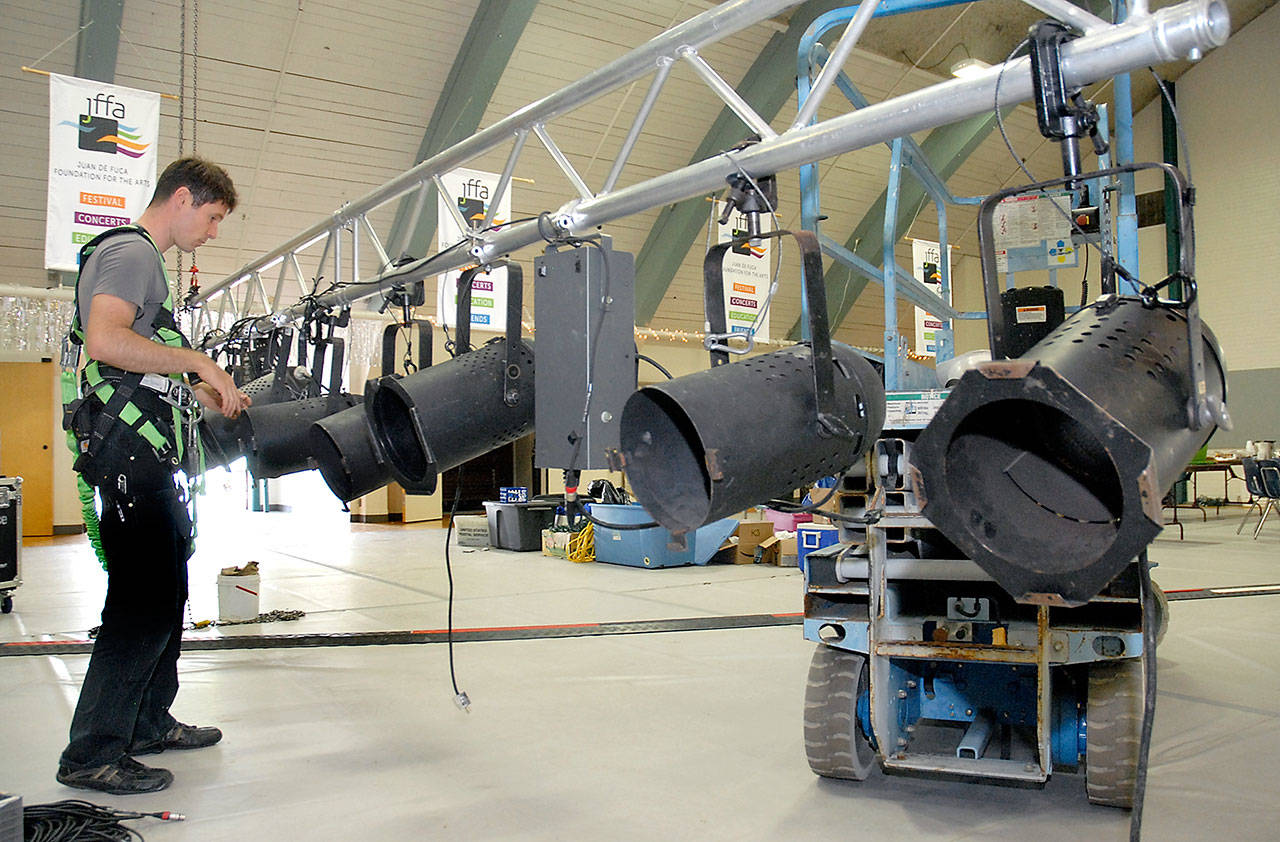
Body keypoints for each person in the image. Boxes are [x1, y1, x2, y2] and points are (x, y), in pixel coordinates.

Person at [56, 157, 251, 795]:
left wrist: (201, 386)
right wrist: (197, 359)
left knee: (167, 594)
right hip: (127, 462)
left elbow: (138, 367)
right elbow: (106, 342)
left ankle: (146, 721)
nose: (214, 232)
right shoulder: (132, 254)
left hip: (145, 456)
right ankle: (92, 753)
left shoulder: (146, 266)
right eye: (214, 217)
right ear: (184, 199)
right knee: (140, 605)